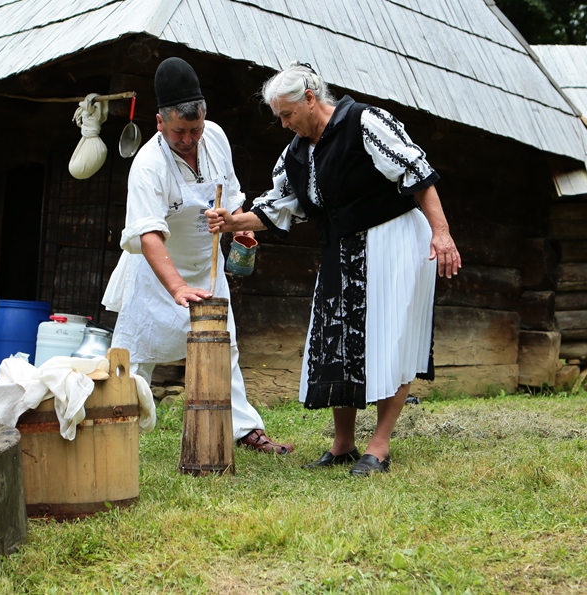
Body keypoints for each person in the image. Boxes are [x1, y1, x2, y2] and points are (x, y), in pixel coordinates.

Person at [206, 62, 460, 475]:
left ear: (310, 98)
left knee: (391, 339)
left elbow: (416, 172)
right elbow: (279, 207)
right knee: (338, 341)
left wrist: (441, 233)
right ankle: (343, 444)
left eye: (287, 114)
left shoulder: (364, 122)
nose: (284, 124)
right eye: (279, 117)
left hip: (394, 242)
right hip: (340, 250)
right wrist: (234, 222)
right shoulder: (296, 154)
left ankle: (379, 446)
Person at [102, 56, 293, 455]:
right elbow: (148, 235)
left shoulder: (216, 137)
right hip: (157, 273)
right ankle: (115, 428)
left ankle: (244, 429)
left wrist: (239, 225)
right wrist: (176, 287)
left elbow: (232, 193)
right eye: (179, 131)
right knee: (136, 354)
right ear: (160, 123)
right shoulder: (148, 165)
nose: (189, 139)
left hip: (207, 267)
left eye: (195, 129)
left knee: (225, 344)